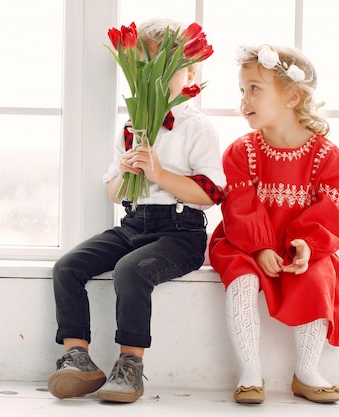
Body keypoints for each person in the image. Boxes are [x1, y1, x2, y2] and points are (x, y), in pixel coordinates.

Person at [47, 17, 226, 403]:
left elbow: (211, 194)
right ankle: (77, 357)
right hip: (133, 225)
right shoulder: (131, 127)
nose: (155, 79)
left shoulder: (197, 128)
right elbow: (114, 192)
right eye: (145, 67)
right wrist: (127, 171)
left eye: (167, 69)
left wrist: (160, 172)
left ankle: (130, 365)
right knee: (67, 267)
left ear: (190, 72)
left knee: (130, 271)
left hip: (180, 233)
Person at [209, 44, 339, 405]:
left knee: (318, 276)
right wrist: (258, 246)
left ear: (293, 96)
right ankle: (250, 372)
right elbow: (239, 204)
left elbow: (332, 210)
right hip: (245, 242)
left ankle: (307, 370)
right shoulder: (241, 151)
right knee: (240, 281)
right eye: (242, 90)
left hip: (298, 245)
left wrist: (306, 244)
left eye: (255, 88)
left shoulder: (327, 156)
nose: (244, 99)